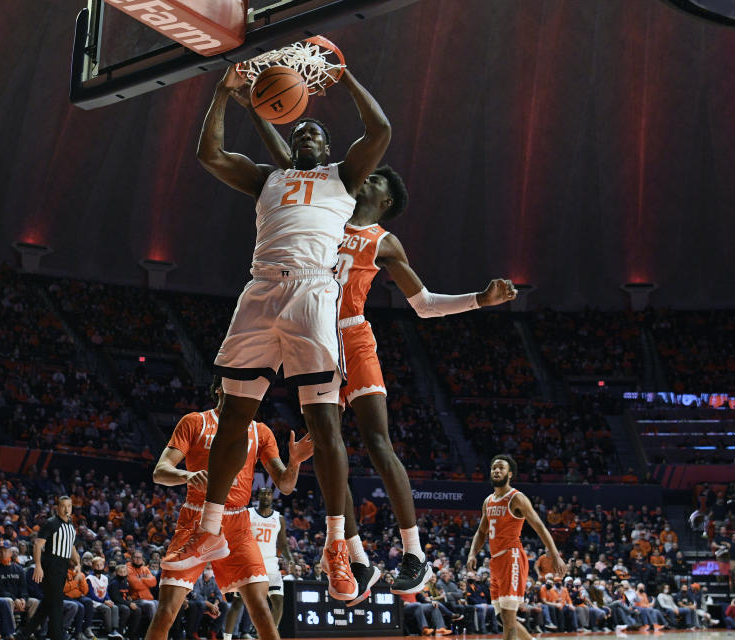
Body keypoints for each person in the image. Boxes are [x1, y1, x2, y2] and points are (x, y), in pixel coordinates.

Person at [167, 51, 393, 605]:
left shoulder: (344, 176)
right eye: (304, 130)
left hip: (315, 292)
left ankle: (338, 545)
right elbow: (209, 153)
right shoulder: (267, 176)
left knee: (323, 428)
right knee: (233, 416)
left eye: (319, 130)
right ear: (293, 141)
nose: (311, 134)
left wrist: (343, 77)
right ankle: (211, 529)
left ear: (328, 148)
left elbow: (380, 129)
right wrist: (224, 92)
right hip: (261, 290)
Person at [330, 164, 516, 601]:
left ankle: (413, 554)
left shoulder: (383, 241)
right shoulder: (325, 218)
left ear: (386, 201)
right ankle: (356, 558)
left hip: (353, 337)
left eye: (375, 180)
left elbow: (425, 305)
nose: (365, 179)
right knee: (326, 450)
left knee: (378, 442)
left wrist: (481, 300)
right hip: (315, 339)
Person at [149, 378, 312, 640]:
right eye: (233, 383)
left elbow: (285, 484)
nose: (241, 389)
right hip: (197, 517)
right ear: (218, 388)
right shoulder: (196, 422)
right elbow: (160, 471)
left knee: (261, 609)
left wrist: (295, 462)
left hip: (237, 523)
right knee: (166, 611)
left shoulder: (260, 431)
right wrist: (186, 476)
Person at [467, 455, 565, 640]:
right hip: (495, 561)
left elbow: (540, 527)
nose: (496, 471)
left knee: (509, 622)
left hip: (511, 557)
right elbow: (481, 532)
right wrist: (473, 553)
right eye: (494, 468)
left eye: (501, 468)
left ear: (509, 474)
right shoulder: (488, 501)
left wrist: (555, 555)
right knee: (503, 618)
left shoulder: (516, 498)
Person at [19, 496, 78, 640]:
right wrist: (38, 566)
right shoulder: (51, 523)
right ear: (57, 508)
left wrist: (78, 563)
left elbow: (71, 546)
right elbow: (38, 545)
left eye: (69, 506)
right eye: (63, 506)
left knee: (48, 602)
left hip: (63, 566)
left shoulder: (71, 525)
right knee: (57, 603)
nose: (66, 509)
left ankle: (23, 634)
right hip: (50, 564)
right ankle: (56, 636)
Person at [247, 487, 293, 627]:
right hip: (252, 564)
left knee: (278, 602)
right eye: (263, 493)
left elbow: (283, 544)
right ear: (258, 496)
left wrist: (290, 559)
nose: (266, 496)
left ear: (272, 497)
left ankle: (270, 634)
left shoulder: (279, 518)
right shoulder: (248, 513)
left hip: (271, 567)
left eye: (268, 494)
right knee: (247, 603)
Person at [0, 543, 38, 640]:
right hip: (7, 600)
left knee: (34, 602)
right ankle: (11, 633)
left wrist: (23, 598)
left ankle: (30, 632)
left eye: (5, 551)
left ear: (11, 553)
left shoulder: (19, 569)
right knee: (8, 601)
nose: (3, 553)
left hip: (19, 600)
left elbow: (24, 588)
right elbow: (0, 591)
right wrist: (15, 599)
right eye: (0, 552)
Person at [85, 556, 125, 639]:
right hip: (94, 602)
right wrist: (104, 601)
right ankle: (109, 631)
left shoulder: (105, 578)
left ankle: (114, 630)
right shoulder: (89, 578)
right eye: (97, 565)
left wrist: (109, 600)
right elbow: (91, 595)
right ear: (93, 566)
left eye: (101, 565)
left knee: (114, 607)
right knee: (106, 609)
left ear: (104, 566)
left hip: (103, 601)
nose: (99, 567)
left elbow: (105, 592)